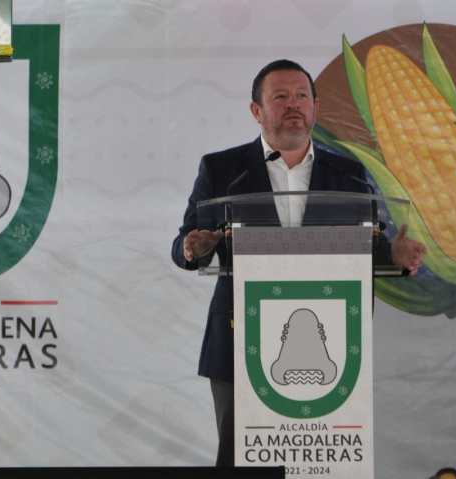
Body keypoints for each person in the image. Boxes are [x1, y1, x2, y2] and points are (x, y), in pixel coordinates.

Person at [172, 59, 426, 466]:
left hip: (333, 344)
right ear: (256, 110)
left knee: (323, 464)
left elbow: (365, 245)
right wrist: (193, 247)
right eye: (280, 97)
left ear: (315, 107)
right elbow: (186, 244)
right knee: (242, 461)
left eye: (301, 96)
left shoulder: (348, 173)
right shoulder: (221, 170)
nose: (293, 104)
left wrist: (393, 255)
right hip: (239, 342)